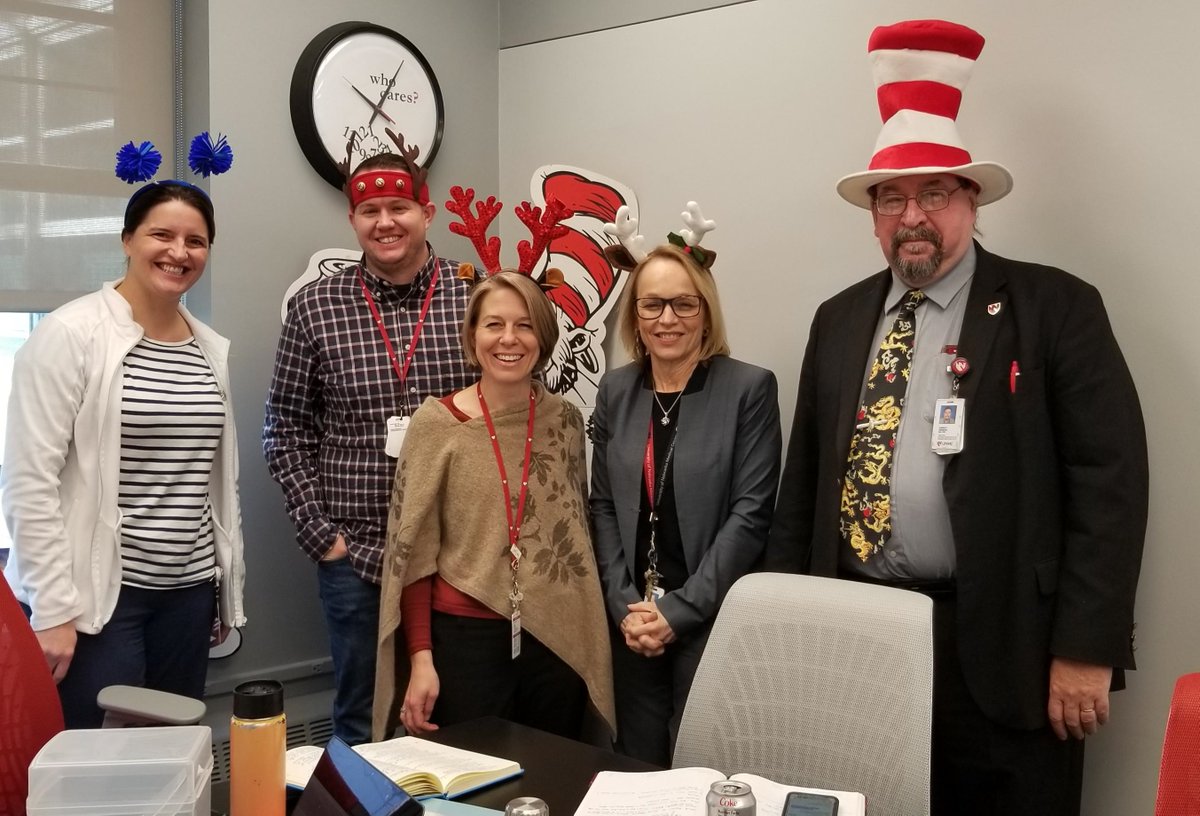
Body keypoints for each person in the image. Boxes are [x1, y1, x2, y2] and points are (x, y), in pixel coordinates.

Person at [767, 20, 1147, 816]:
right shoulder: (838, 320)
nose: (913, 216)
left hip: (1009, 645)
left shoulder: (1055, 308)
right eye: (893, 198)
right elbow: (804, 485)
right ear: (872, 215)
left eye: (935, 193)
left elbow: (1110, 486)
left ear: (971, 202)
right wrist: (792, 627)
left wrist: (1086, 650)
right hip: (862, 637)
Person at [2, 177, 246, 728]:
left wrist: (222, 589)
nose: (178, 252)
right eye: (162, 234)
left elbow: (215, 481)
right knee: (99, 767)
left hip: (187, 595)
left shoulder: (209, 348)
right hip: (100, 600)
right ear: (127, 239)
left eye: (196, 240)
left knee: (166, 760)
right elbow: (28, 480)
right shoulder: (72, 334)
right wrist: (54, 609)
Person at [263, 147, 476, 745]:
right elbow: (284, 426)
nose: (386, 222)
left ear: (427, 212)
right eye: (371, 210)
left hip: (456, 549)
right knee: (364, 714)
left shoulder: (476, 297)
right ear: (352, 221)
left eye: (400, 207)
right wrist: (319, 535)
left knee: (459, 713)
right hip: (354, 553)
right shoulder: (314, 307)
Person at [373, 271, 615, 742]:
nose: (509, 339)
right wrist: (421, 658)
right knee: (473, 781)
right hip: (464, 639)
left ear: (543, 338)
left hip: (556, 636)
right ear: (472, 335)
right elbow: (414, 555)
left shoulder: (564, 420)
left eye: (525, 325)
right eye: (494, 325)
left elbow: (576, 528)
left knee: (558, 773)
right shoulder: (438, 424)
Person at [590, 227, 782, 766]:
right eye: (652, 304)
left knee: (706, 766)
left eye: (683, 303)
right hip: (632, 621)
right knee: (637, 767)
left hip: (712, 618)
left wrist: (681, 610)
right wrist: (624, 606)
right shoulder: (616, 390)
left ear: (705, 310)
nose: (667, 319)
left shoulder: (749, 389)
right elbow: (601, 504)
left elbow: (750, 516)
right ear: (635, 315)